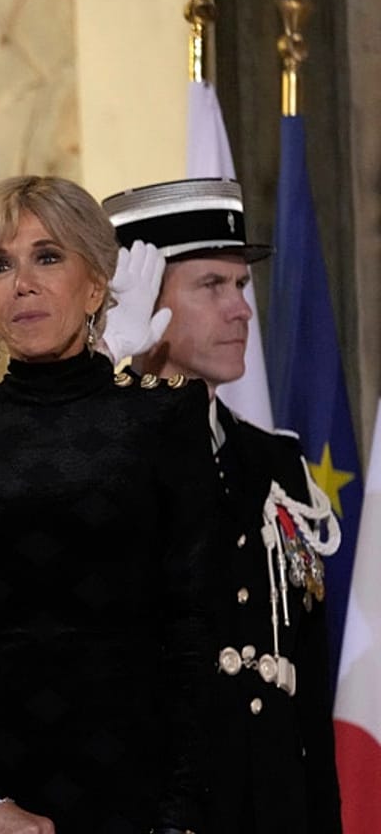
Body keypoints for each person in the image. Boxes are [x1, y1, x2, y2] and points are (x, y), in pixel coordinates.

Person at [0, 175, 216, 834]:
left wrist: (176, 817)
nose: (22, 283)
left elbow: (197, 631)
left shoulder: (164, 418)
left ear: (96, 284)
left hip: (140, 787)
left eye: (48, 256)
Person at [102, 177, 342, 834]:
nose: (242, 310)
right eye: (212, 286)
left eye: (240, 286)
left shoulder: (275, 462)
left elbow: (305, 679)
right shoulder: (96, 456)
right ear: (146, 299)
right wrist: (108, 383)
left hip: (270, 803)